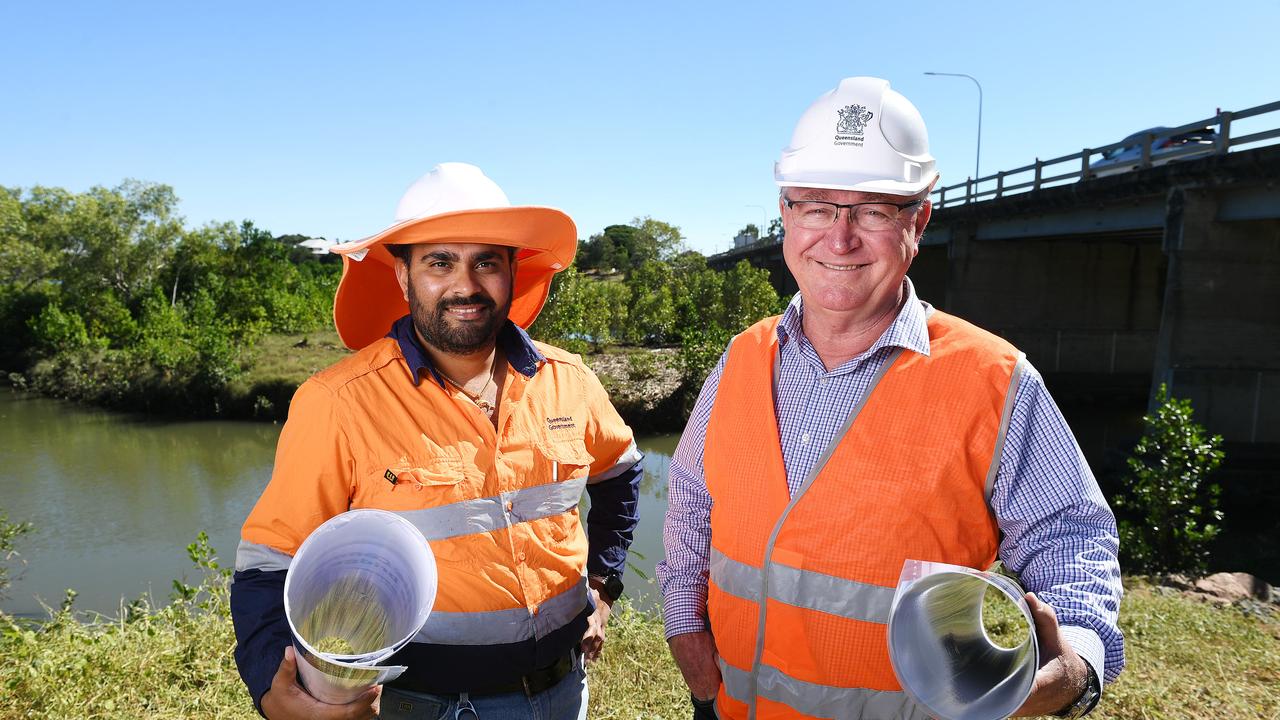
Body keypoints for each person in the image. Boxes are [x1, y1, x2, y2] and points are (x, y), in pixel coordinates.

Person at [657, 77, 1125, 720]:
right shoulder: (743, 355)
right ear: (786, 214)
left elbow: (1070, 536)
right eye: (817, 206)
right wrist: (685, 623)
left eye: (873, 211)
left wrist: (1076, 662)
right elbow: (691, 493)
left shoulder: (993, 378)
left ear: (919, 220)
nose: (840, 238)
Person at [231, 162, 642, 720]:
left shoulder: (568, 380)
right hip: (428, 704)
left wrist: (603, 586)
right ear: (402, 276)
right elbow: (269, 562)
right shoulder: (339, 402)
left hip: (564, 690)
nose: (465, 285)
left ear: (512, 271)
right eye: (439, 262)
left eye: (486, 262)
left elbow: (619, 473)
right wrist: (271, 687)